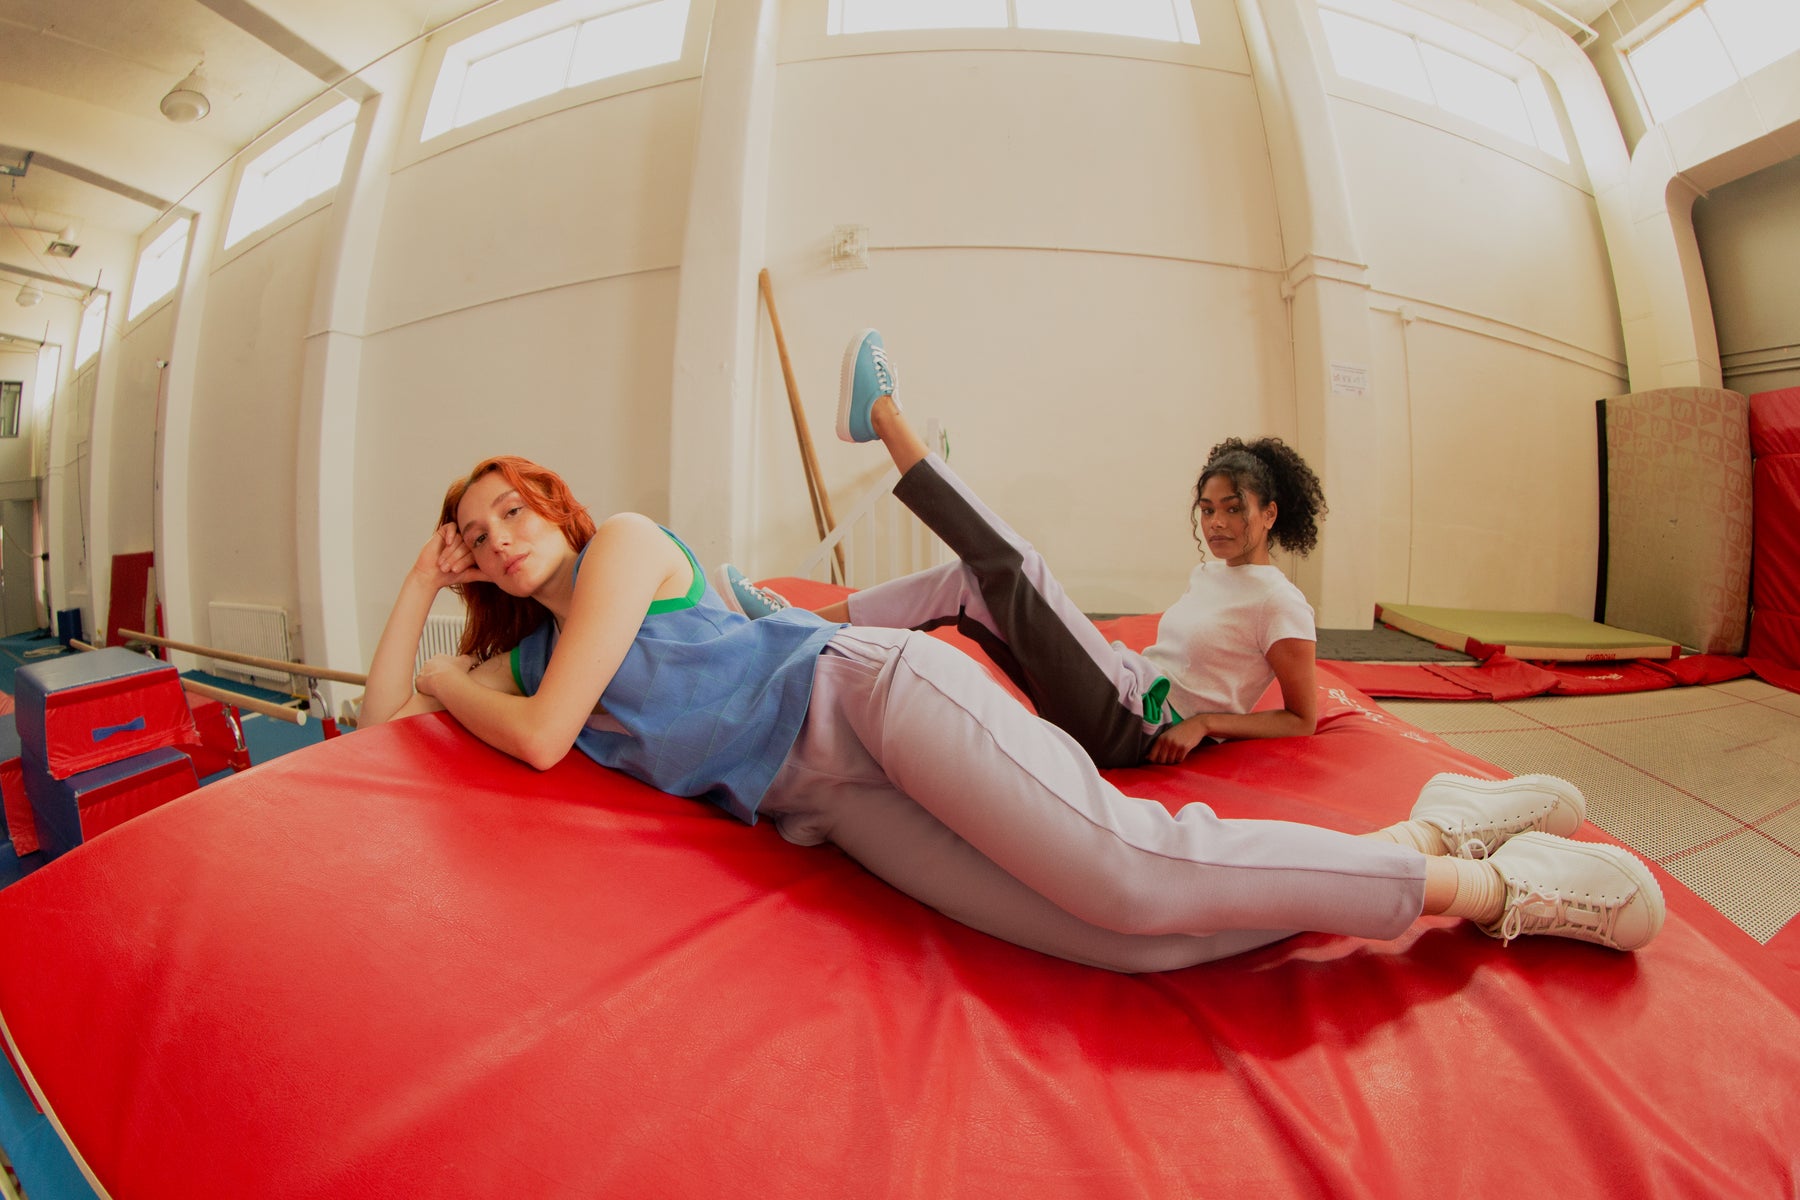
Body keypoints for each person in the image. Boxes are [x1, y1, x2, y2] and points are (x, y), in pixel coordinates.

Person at [359, 449, 1666, 973]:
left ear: (557, 506)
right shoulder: (520, 664)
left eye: (512, 510)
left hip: (868, 696)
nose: (500, 535)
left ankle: (1491, 892)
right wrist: (421, 587)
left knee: (1137, 873)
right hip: (822, 801)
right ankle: (1430, 834)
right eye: (475, 533)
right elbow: (375, 739)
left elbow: (541, 735)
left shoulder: (625, 550)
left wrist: (449, 672)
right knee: (1129, 945)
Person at [718, 330, 1323, 770]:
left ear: (1270, 514)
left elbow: (1302, 718)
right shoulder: (1210, 576)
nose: (1217, 523)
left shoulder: (1281, 602)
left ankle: (882, 416)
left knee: (1015, 564)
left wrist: (1205, 723)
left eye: (1234, 509)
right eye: (1208, 509)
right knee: (965, 582)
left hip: (1133, 724)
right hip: (1120, 686)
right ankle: (797, 626)